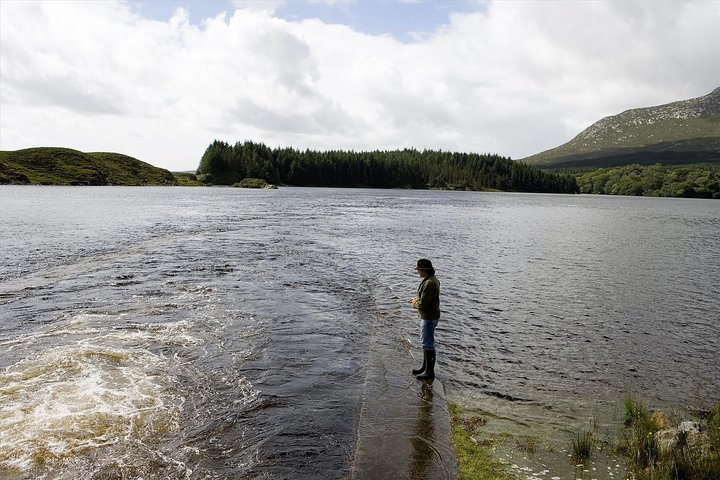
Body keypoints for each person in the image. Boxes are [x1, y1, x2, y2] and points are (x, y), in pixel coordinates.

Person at [409, 258, 440, 380]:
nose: (417, 272)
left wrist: (414, 303)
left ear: (424, 270)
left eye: (418, 270)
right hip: (430, 316)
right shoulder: (432, 280)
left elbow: (424, 305)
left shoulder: (429, 283)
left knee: (427, 344)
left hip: (428, 317)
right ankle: (425, 368)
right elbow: (426, 299)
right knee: (426, 343)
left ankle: (429, 372)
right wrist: (417, 299)